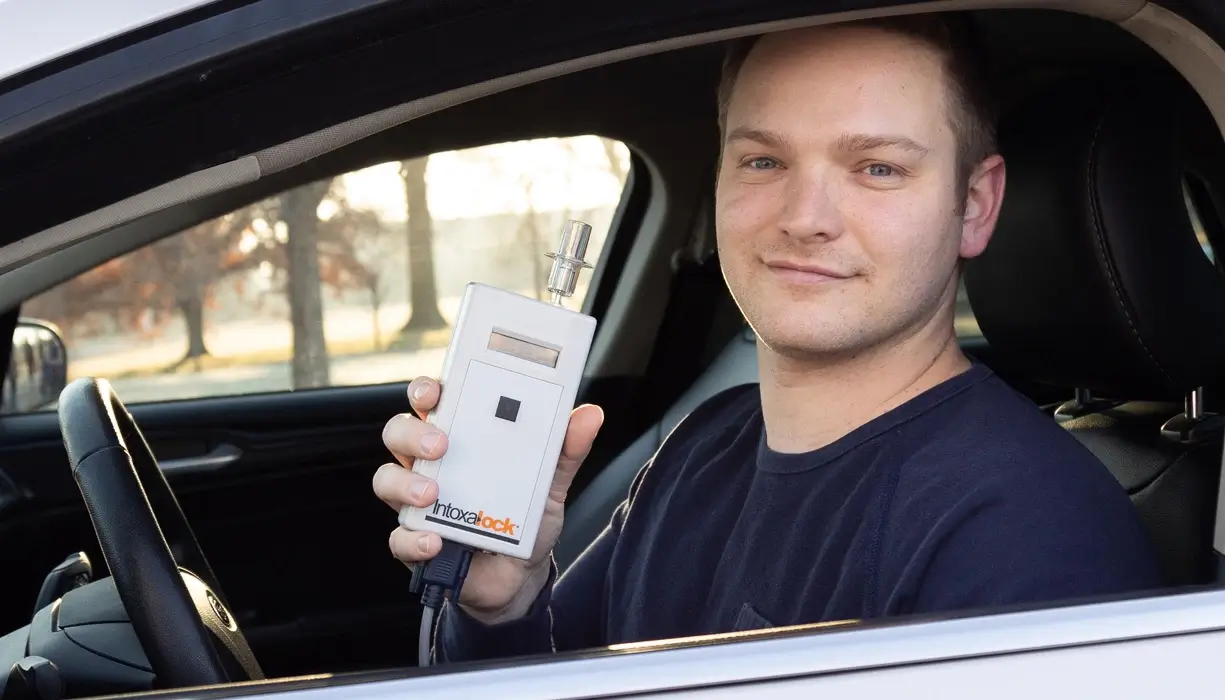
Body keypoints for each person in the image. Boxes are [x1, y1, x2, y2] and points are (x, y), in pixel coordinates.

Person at [373, 14, 1163, 662]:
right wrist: (503, 601)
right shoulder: (700, 447)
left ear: (974, 205)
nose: (803, 216)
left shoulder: (1025, 528)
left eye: (877, 169)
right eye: (761, 159)